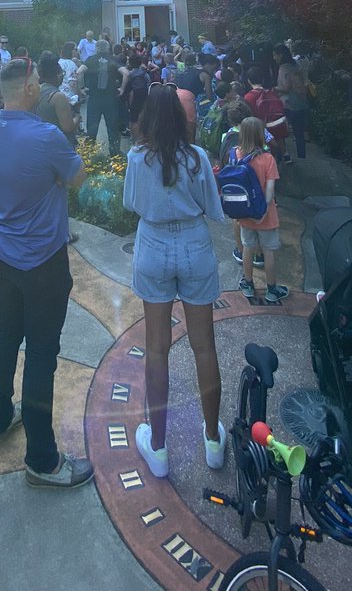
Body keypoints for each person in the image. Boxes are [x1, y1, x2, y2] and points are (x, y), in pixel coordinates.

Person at [0, 58, 93, 489]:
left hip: (2, 253)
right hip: (42, 261)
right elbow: (78, 177)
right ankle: (42, 460)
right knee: (42, 353)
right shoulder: (46, 136)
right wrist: (58, 181)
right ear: (29, 88)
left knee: (7, 333)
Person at [123, 82, 226, 478]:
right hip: (194, 245)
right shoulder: (197, 157)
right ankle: (213, 440)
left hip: (153, 246)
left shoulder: (137, 159)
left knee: (157, 349)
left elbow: (132, 204)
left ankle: (160, 447)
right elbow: (214, 209)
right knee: (205, 347)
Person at [234, 117, 288, 304]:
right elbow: (270, 189)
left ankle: (248, 284)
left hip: (245, 213)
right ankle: (272, 289)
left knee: (247, 248)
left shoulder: (238, 154)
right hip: (265, 215)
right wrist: (263, 211)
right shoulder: (268, 159)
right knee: (268, 251)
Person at [81, 39, 122, 155]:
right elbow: (126, 73)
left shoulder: (90, 60)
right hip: (110, 98)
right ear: (108, 48)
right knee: (112, 127)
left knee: (92, 128)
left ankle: (89, 154)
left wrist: (82, 88)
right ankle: (115, 153)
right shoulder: (113, 59)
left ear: (96, 48)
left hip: (94, 98)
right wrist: (122, 88)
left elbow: (79, 72)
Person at [274, 44, 308, 160]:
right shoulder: (296, 65)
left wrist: (274, 89)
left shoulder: (283, 68)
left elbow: (286, 88)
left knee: (280, 130)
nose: (274, 58)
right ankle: (302, 156)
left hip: (289, 104)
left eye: (275, 55)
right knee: (299, 131)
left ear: (281, 55)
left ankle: (284, 154)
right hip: (301, 102)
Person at [35, 51, 77, 144]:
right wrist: (77, 116)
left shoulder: (36, 91)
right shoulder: (58, 97)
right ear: (58, 74)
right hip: (57, 146)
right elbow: (68, 127)